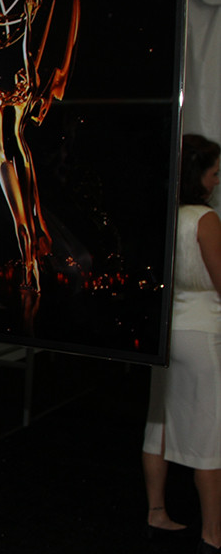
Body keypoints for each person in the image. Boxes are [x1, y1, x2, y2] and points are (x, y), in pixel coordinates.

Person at [143, 134, 221, 553]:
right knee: (209, 437)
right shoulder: (204, 219)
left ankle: (156, 512)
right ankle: (213, 533)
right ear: (198, 176)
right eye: (214, 173)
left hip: (166, 332)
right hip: (202, 334)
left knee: (158, 425)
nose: (217, 181)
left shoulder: (162, 215)